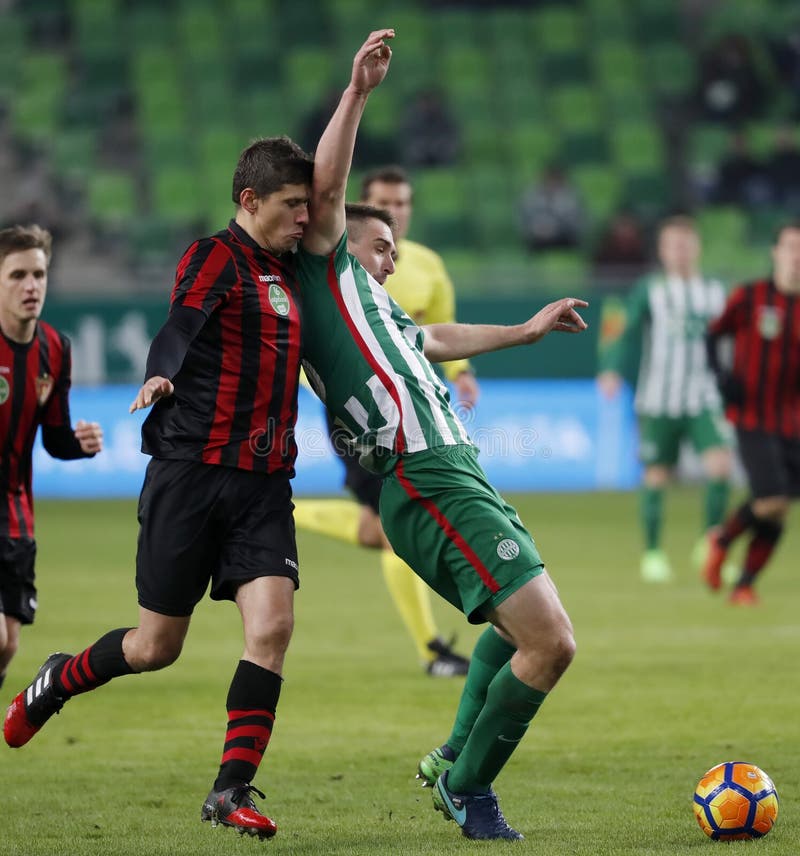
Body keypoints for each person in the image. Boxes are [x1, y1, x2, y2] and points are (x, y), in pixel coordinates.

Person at [3, 99, 321, 842]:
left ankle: (230, 790)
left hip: (265, 483)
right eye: (291, 205)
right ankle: (58, 678)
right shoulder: (215, 256)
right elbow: (179, 326)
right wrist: (158, 376)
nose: (304, 218)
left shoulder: (295, 273)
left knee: (272, 627)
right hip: (191, 471)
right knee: (155, 647)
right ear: (250, 201)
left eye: (308, 205)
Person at [296, 31, 586, 840]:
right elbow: (327, 190)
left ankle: (451, 757)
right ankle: (467, 786)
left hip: (456, 466)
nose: (391, 260)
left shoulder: (380, 308)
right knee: (551, 643)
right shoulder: (329, 279)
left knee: (521, 627)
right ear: (339, 245)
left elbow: (441, 335)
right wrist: (357, 94)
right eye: (379, 246)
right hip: (422, 474)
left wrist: (525, 333)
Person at [294, 163, 478, 677]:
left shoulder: (425, 266)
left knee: (382, 529)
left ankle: (279, 508)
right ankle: (430, 651)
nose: (395, 212)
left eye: (402, 204)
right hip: (356, 413)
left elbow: (436, 329)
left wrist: (462, 372)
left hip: (415, 411)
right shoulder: (338, 263)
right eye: (385, 203)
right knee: (399, 526)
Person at [597, 216, 734, 583]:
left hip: (705, 395)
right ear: (662, 251)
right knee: (657, 475)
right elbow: (620, 328)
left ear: (697, 248)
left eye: (686, 244)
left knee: (720, 466)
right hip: (659, 398)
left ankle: (711, 543)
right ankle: (653, 553)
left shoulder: (716, 292)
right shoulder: (650, 290)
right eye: (672, 245)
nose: (680, 252)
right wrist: (610, 367)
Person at [0, 225, 103, 691]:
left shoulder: (54, 349)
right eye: (18, 275)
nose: (31, 286)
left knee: (6, 645)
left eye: (38, 274)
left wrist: (77, 444)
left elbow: (54, 436)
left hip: (16, 515)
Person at [703, 222, 800, 605]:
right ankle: (723, 540)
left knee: (776, 509)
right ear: (776, 252)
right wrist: (722, 374)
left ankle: (743, 584)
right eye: (791, 247)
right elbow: (714, 334)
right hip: (753, 417)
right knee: (773, 499)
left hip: (793, 420)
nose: (797, 256)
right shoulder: (750, 296)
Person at [518, 163, 585, 253]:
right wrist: (536, 228)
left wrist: (555, 229)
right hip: (538, 237)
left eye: (555, 180)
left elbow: (575, 222)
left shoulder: (571, 196)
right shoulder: (531, 195)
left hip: (563, 237)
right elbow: (525, 218)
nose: (551, 184)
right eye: (549, 180)